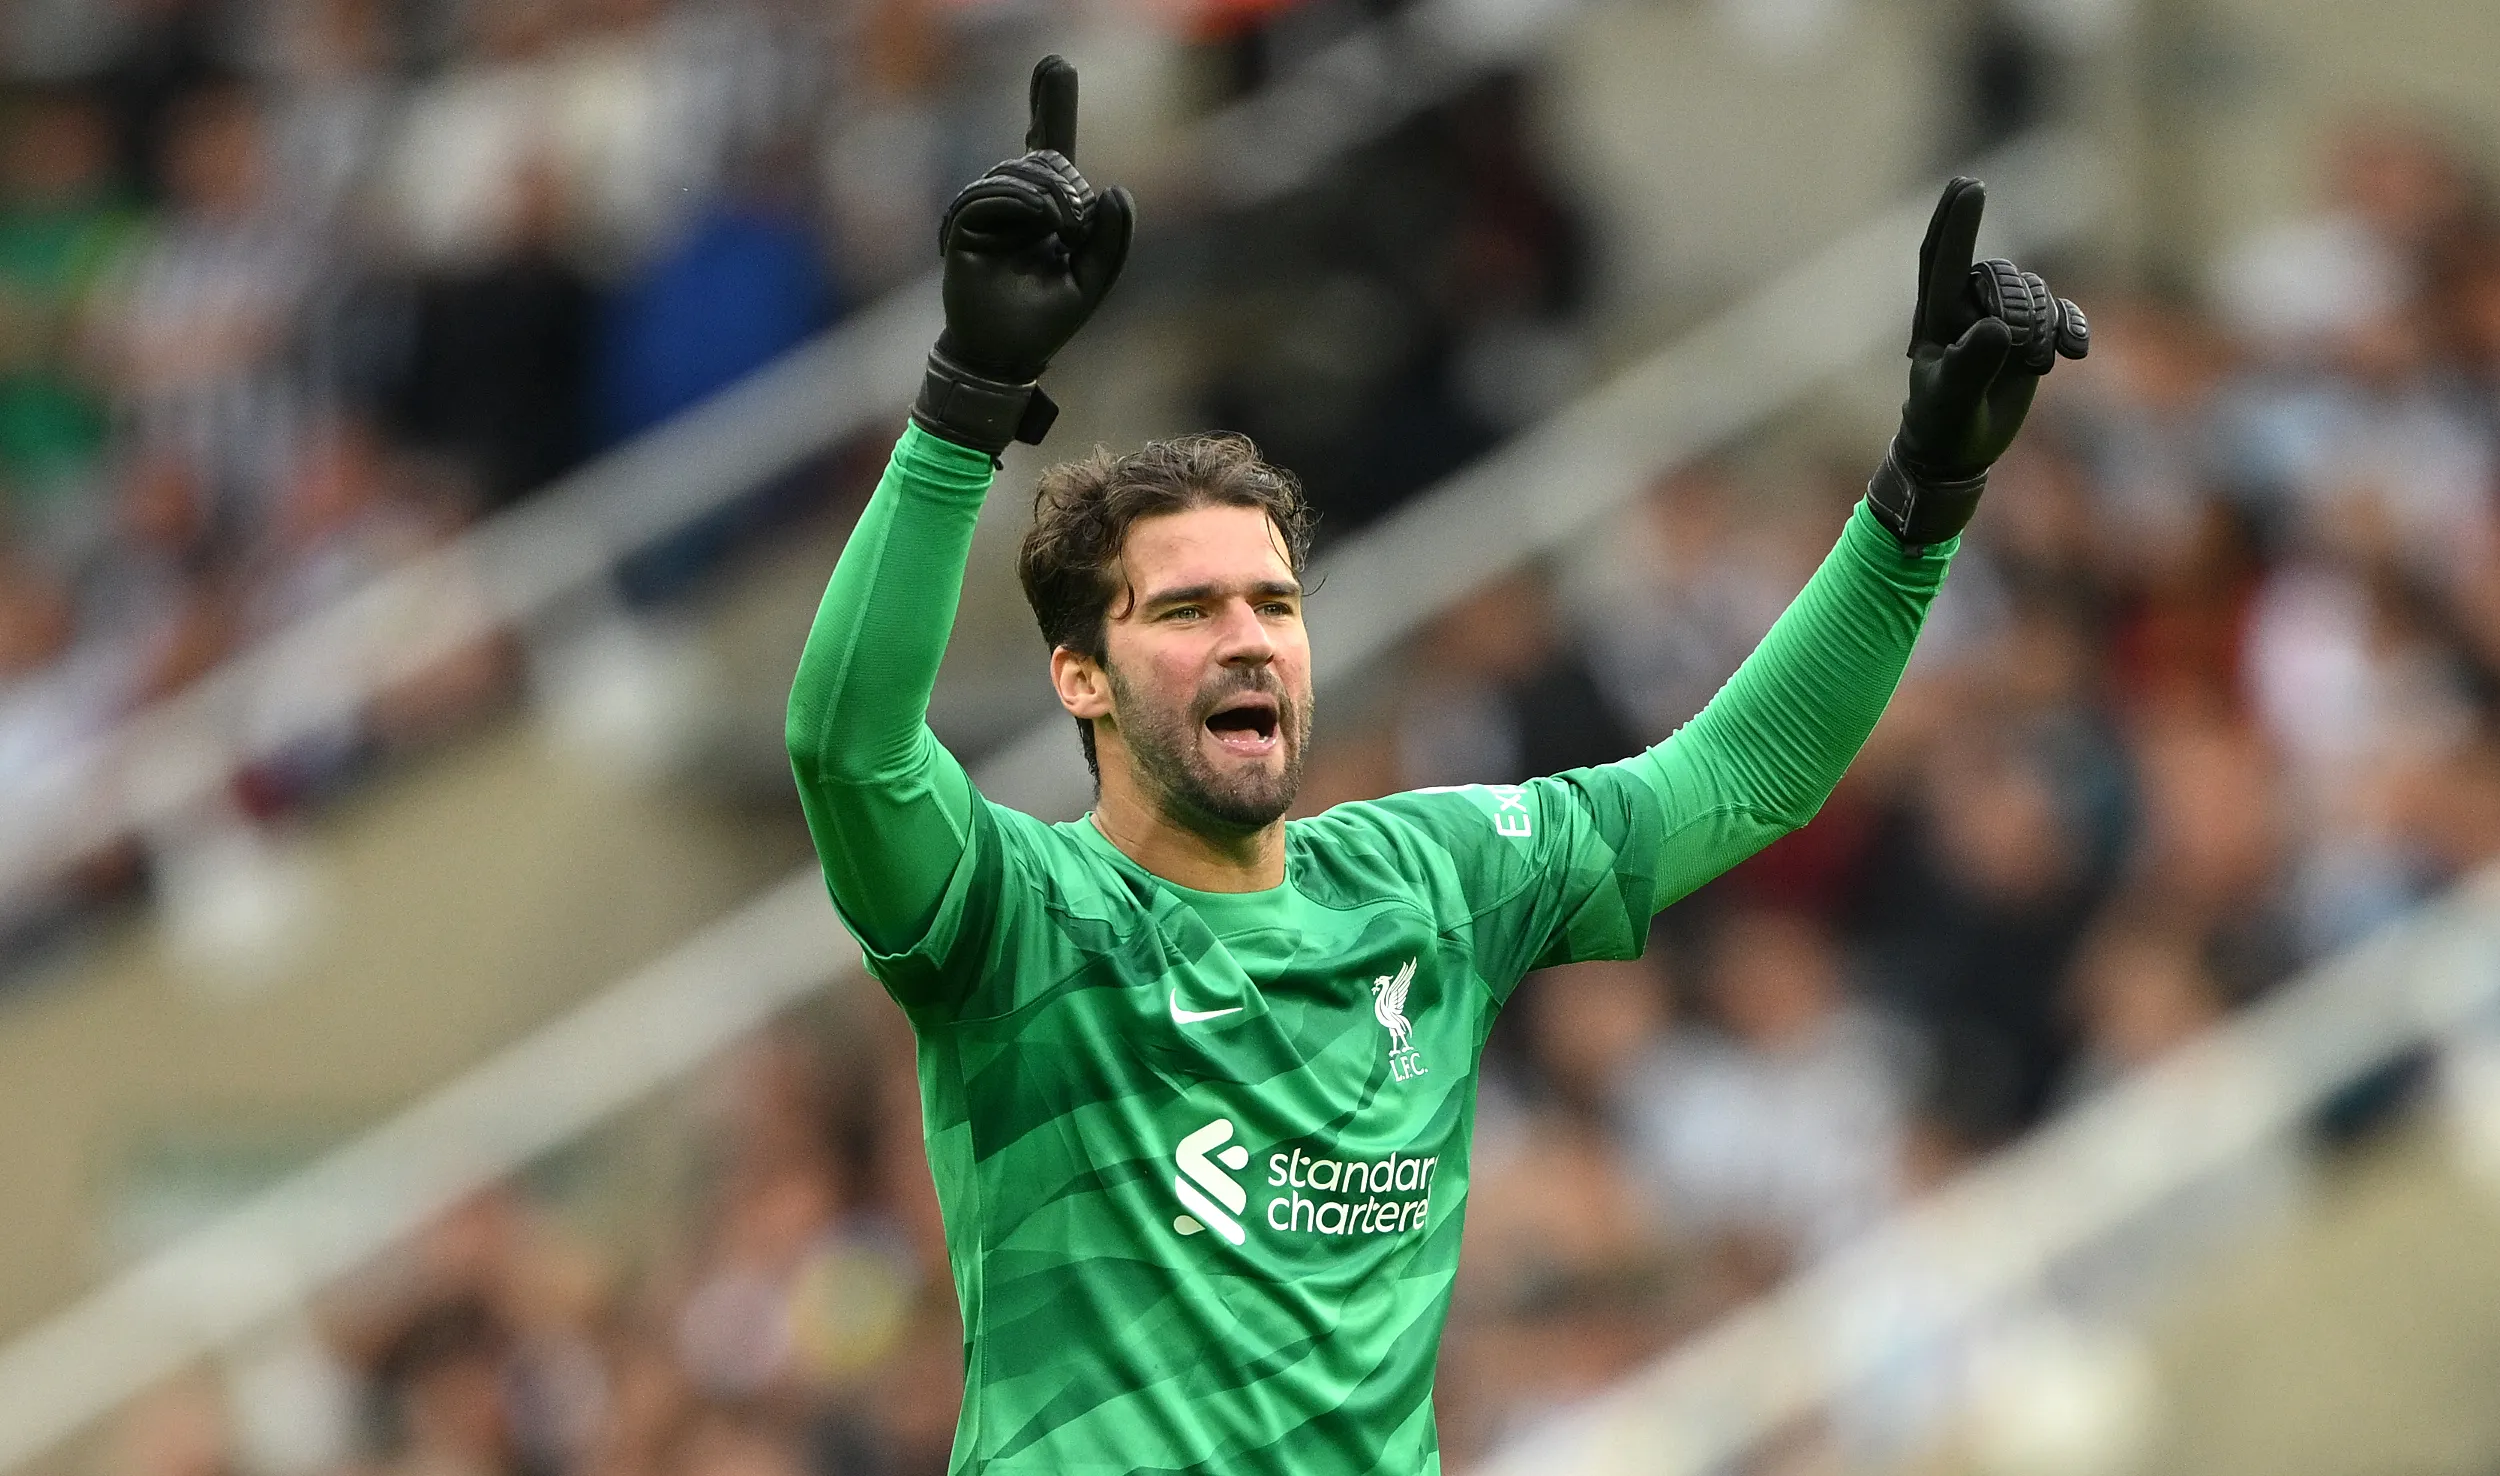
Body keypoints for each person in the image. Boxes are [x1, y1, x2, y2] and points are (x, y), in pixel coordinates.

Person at [783, 56, 2085, 1476]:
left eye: (1273, 605)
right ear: (1079, 677)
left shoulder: (1430, 884)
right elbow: (846, 747)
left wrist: (1921, 503)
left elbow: (1744, 773)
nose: (1248, 639)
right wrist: (968, 395)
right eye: (1185, 609)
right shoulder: (1014, 922)